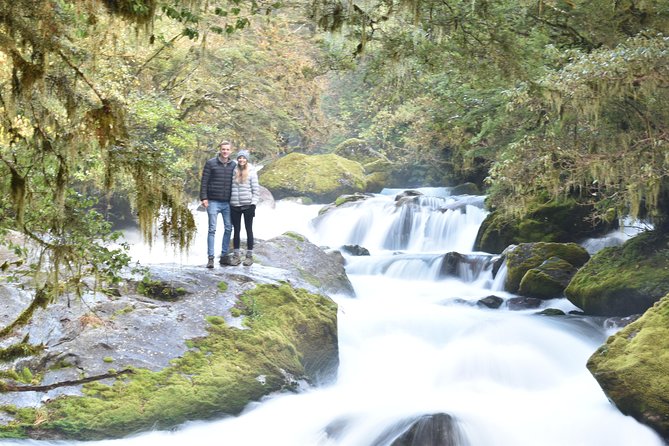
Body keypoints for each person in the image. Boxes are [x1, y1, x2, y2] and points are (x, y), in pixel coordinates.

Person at [200, 140, 237, 268]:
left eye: (227, 149)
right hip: (213, 201)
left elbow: (240, 182)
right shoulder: (211, 163)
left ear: (230, 151)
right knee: (212, 229)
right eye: (223, 149)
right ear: (220, 150)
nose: (225, 151)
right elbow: (204, 181)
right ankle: (210, 258)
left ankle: (224, 256)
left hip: (228, 202)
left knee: (228, 228)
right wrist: (204, 198)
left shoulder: (234, 165)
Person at [229, 149, 260, 266]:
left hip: (248, 205)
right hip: (234, 205)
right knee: (236, 231)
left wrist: (253, 204)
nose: (241, 160)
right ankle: (236, 256)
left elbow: (256, 190)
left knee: (249, 230)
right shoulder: (233, 170)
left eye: (244, 158)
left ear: (247, 159)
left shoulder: (252, 172)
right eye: (240, 158)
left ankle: (249, 256)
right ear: (237, 159)